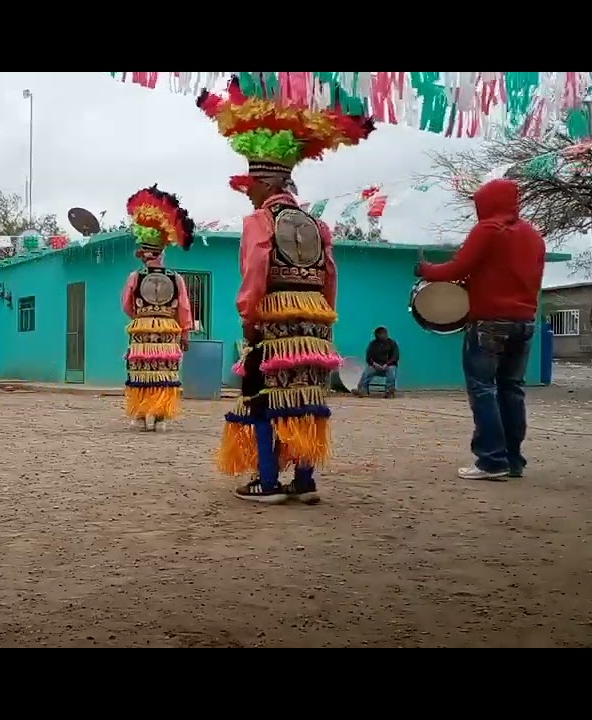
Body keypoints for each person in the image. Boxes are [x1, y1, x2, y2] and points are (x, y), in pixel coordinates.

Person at [201, 75, 376, 504]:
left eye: (251, 185)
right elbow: (329, 277)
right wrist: (323, 320)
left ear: (265, 184)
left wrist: (249, 319)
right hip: (314, 322)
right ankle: (304, 480)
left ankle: (267, 481)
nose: (248, 193)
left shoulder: (259, 222)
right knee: (305, 395)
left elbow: (256, 271)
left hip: (274, 319)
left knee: (262, 396)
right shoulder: (318, 225)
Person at [417, 178, 546, 481]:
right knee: (511, 390)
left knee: (483, 389)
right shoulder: (533, 235)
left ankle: (490, 460)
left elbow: (458, 268)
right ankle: (513, 460)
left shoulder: (488, 229)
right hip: (525, 321)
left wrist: (425, 270)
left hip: (489, 322)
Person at [121, 184, 196, 432]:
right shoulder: (176, 278)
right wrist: (184, 333)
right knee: (164, 372)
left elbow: (126, 305)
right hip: (167, 330)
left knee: (142, 371)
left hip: (142, 330)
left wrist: (141, 317)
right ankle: (161, 418)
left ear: (143, 253)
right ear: (162, 251)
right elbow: (184, 309)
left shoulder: (135, 276)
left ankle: (142, 416)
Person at [359, 326, 399, 398]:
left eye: (386, 333)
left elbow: (395, 357)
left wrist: (387, 364)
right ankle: (363, 390)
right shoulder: (372, 344)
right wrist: (374, 364)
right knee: (367, 371)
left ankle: (389, 391)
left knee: (392, 370)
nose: (386, 335)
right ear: (378, 335)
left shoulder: (392, 343)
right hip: (376, 366)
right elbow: (368, 358)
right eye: (384, 333)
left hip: (388, 366)